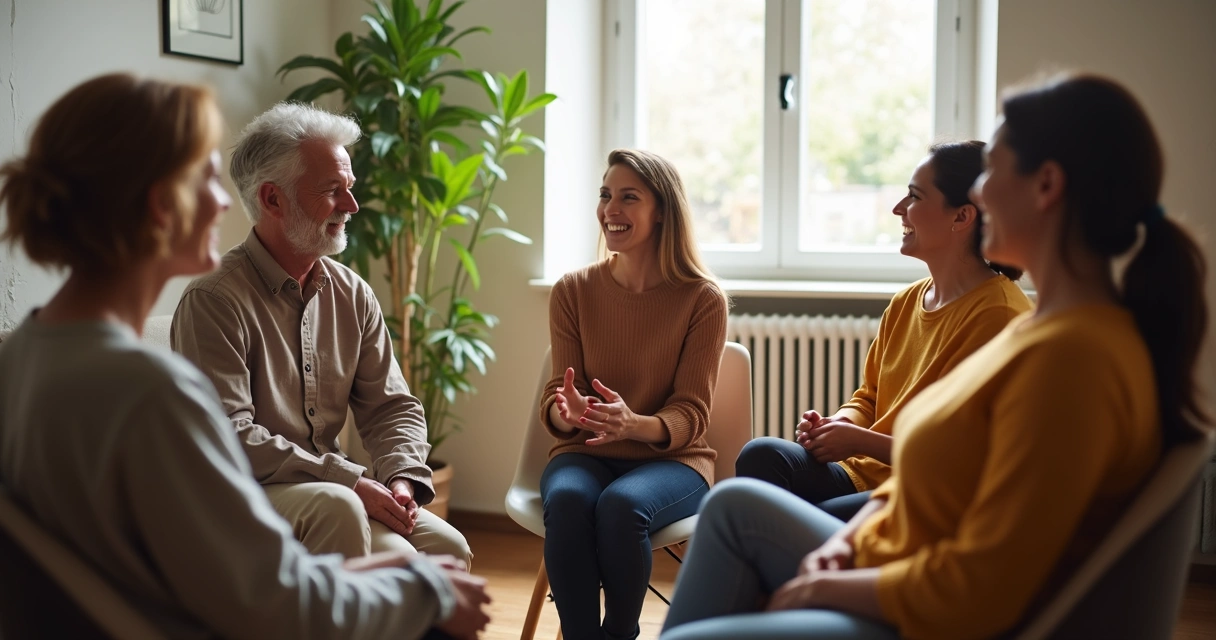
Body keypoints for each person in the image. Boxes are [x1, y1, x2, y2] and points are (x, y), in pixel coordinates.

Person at [660, 73, 1208, 640]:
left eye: (993, 171)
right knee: (733, 505)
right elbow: (945, 476)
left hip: (927, 611)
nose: (980, 194)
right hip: (896, 552)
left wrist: (821, 588)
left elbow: (983, 589)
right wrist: (847, 541)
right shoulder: (1046, 332)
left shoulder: (1072, 360)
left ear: (1046, 185)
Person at [0, 73, 490, 639]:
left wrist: (397, 540)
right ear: (161, 205)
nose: (223, 201)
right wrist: (422, 588)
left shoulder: (24, 359)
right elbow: (275, 604)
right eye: (208, 179)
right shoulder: (151, 391)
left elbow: (245, 582)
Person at [171, 102, 471, 566]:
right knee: (349, 515)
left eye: (350, 187)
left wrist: (400, 478)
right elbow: (228, 435)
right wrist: (348, 480)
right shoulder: (214, 300)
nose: (351, 206)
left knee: (450, 551)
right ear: (273, 200)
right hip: (243, 494)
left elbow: (391, 407)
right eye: (333, 191)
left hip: (335, 491)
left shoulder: (352, 293)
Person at [736, 141, 1032, 520]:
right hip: (863, 475)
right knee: (761, 455)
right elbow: (869, 398)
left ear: (961, 217)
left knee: (781, 515)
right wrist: (839, 425)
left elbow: (965, 454)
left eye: (915, 196)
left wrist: (860, 441)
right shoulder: (907, 301)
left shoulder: (999, 316)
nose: (898, 208)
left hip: (925, 491)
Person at [540, 149, 729, 640]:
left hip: (673, 461)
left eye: (628, 197)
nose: (610, 210)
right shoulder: (572, 290)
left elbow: (692, 411)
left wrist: (632, 424)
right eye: (606, 195)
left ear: (662, 210)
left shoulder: (702, 298)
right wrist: (568, 413)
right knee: (567, 501)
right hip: (584, 452)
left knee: (622, 507)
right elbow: (559, 394)